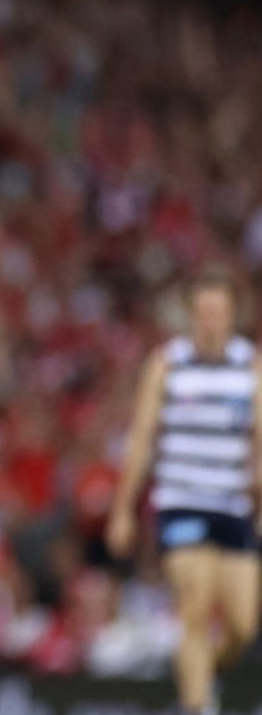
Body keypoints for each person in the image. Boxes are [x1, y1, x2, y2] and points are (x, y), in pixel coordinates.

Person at [106, 269, 262, 715]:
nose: (212, 322)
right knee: (194, 604)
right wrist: (123, 510)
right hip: (181, 500)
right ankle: (197, 707)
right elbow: (141, 439)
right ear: (190, 316)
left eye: (220, 313)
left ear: (233, 315)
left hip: (232, 504)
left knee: (243, 625)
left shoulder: (250, 366)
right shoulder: (167, 364)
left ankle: (198, 682)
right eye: (204, 313)